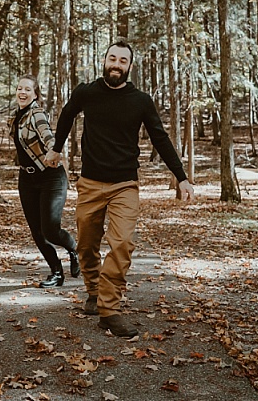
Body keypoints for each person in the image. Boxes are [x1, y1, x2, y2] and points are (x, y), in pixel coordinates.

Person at [47, 41, 194, 338]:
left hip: (125, 184)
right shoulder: (86, 92)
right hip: (90, 183)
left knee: (122, 243)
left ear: (129, 66)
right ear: (104, 61)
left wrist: (181, 177)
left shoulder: (140, 100)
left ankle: (109, 309)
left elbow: (160, 138)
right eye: (112, 58)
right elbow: (66, 115)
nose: (116, 64)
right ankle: (93, 291)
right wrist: (56, 148)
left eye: (122, 60)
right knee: (87, 245)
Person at [11, 75, 77, 287]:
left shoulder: (37, 114)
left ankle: (74, 249)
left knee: (50, 229)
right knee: (37, 232)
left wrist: (53, 151)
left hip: (51, 177)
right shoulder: (16, 116)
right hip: (27, 179)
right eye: (20, 88)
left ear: (35, 94)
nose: (22, 92)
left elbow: (49, 137)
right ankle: (56, 272)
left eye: (27, 89)